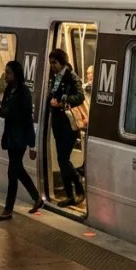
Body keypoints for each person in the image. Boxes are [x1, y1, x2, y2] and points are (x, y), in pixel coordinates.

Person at [0, 60, 43, 220]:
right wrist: (1, 109)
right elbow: (7, 110)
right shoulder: (10, 89)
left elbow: (27, 119)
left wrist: (32, 144)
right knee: (17, 170)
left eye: (8, 72)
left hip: (20, 138)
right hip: (10, 136)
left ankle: (8, 209)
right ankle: (36, 197)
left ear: (16, 74)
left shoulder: (24, 93)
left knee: (12, 172)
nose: (6, 75)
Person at [47, 48, 86, 207]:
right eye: (51, 63)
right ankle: (72, 193)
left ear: (61, 62)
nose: (52, 66)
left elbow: (80, 96)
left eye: (54, 63)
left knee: (63, 159)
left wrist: (65, 101)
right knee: (62, 159)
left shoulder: (71, 76)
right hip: (57, 122)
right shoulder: (54, 77)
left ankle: (77, 188)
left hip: (68, 124)